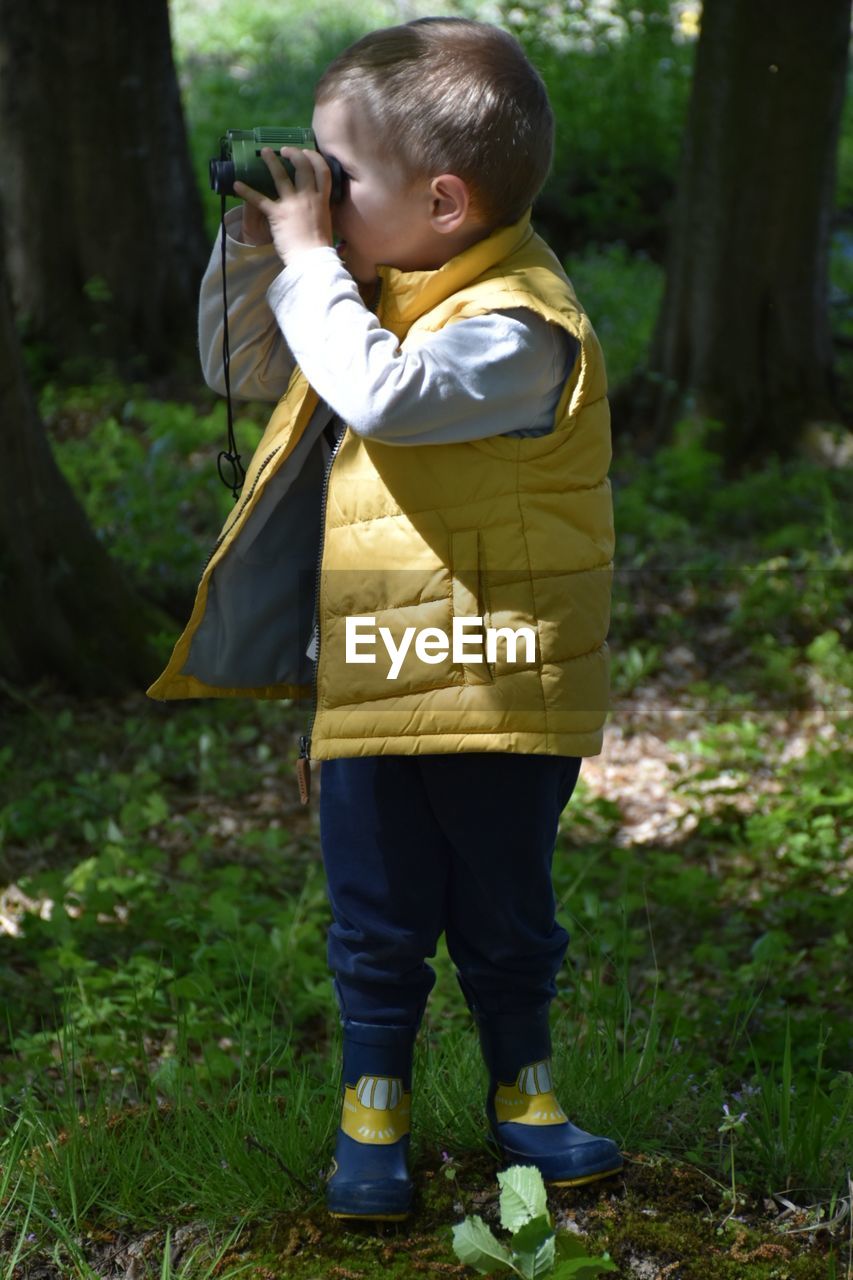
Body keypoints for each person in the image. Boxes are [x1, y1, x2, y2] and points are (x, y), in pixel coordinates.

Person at [149, 16, 619, 1221]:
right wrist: (261, 247)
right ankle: (374, 1116)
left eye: (339, 174)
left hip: (497, 681)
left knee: (505, 911)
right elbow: (237, 367)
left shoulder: (520, 323)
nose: (320, 195)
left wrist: (315, 264)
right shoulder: (381, 281)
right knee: (376, 916)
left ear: (446, 201)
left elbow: (384, 394)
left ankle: (528, 1100)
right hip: (371, 669)